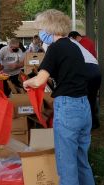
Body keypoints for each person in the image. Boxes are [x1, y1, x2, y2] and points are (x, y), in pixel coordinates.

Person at [23, 9, 95, 185]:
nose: (40, 33)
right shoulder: (74, 46)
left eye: (41, 28)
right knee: (81, 161)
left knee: (66, 165)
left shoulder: (55, 48)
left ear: (49, 28)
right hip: (84, 106)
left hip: (68, 107)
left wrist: (27, 83)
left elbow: (40, 80)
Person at [69, 36, 101, 129]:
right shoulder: (75, 43)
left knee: (83, 98)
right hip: (95, 69)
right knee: (92, 98)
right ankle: (94, 123)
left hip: (86, 69)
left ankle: (86, 124)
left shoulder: (63, 43)